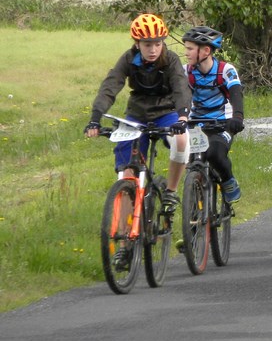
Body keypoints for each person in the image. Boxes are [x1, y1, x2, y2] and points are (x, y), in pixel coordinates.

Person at [84, 13, 191, 234]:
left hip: (167, 112)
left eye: (157, 44)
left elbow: (181, 88)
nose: (153, 49)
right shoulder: (128, 59)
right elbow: (110, 87)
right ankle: (123, 239)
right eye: (147, 44)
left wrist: (182, 117)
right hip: (137, 114)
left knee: (181, 140)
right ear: (137, 43)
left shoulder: (170, 60)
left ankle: (170, 191)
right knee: (127, 175)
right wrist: (95, 118)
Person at [182, 26, 245, 205]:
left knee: (215, 154)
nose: (186, 53)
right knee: (189, 154)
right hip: (195, 121)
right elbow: (176, 96)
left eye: (190, 49)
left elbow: (236, 94)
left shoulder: (225, 70)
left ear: (206, 50)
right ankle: (194, 203)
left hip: (223, 122)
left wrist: (238, 117)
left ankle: (228, 181)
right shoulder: (186, 71)